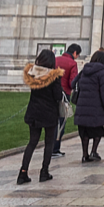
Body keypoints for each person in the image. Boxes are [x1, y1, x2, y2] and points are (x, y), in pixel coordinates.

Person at [18, 49, 64, 184]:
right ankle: (44, 171)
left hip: (34, 111)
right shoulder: (54, 76)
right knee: (49, 142)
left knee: (32, 142)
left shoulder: (32, 74)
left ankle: (23, 172)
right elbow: (58, 96)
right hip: (49, 113)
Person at [73, 49, 104, 162]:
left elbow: (73, 83)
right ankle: (93, 151)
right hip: (96, 106)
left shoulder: (84, 70)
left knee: (84, 131)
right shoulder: (102, 73)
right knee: (97, 130)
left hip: (82, 105)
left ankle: (85, 154)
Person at [54, 44, 80, 143]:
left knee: (53, 121)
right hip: (64, 94)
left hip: (53, 93)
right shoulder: (72, 63)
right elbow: (72, 82)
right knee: (61, 121)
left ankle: (50, 148)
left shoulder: (56, 59)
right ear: (74, 53)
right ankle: (56, 148)